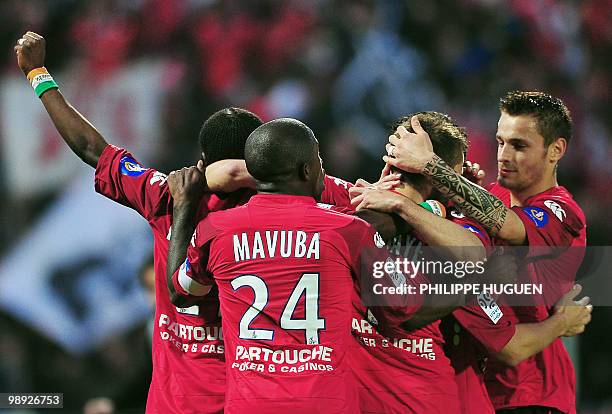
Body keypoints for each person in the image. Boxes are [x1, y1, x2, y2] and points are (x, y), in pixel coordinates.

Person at [349, 112, 591, 413]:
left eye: (518, 145)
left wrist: (435, 197)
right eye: (501, 143)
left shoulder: (348, 216)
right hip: (467, 397)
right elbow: (509, 344)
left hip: (360, 394)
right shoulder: (456, 242)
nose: (504, 155)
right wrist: (560, 323)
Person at [167, 118, 407, 413]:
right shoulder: (349, 230)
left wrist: (182, 209)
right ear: (307, 169)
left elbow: (181, 292)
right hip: (325, 403)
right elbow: (400, 306)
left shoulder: (215, 230)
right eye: (319, 159)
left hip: (250, 405)